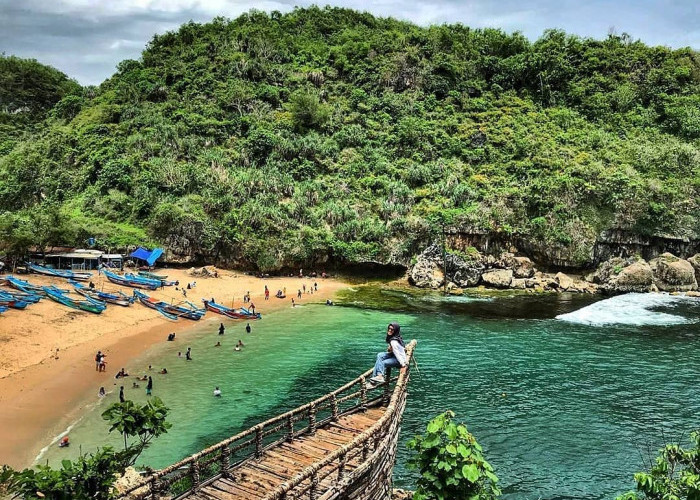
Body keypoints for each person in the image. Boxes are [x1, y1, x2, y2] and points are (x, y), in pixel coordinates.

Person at [368, 322, 407, 386]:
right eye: (389, 328)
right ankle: (374, 379)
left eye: (392, 329)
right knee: (380, 355)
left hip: (399, 359)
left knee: (382, 363)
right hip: (394, 355)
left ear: (395, 331)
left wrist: (402, 364)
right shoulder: (396, 337)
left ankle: (379, 377)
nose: (389, 330)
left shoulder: (393, 341)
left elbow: (397, 353)